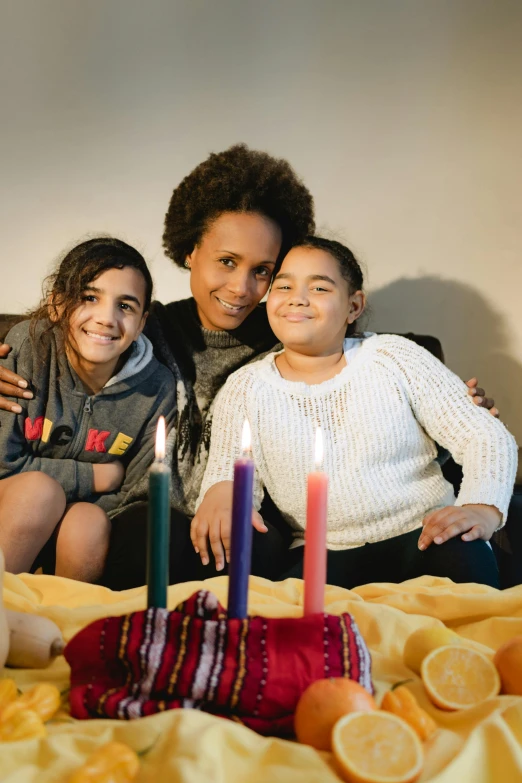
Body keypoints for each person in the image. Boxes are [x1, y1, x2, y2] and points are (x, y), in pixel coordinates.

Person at [0, 145, 498, 589]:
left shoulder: (294, 335)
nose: (242, 288)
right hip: (151, 509)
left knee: (253, 547)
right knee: (141, 538)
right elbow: (57, 339)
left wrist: (461, 404)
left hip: (262, 518)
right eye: (227, 262)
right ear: (190, 251)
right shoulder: (138, 324)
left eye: (264, 271)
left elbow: (375, 367)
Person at [194, 236, 517, 589]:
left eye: (319, 287)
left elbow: (483, 435)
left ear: (353, 306)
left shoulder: (393, 357)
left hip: (424, 536)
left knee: (463, 559)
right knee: (288, 616)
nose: (297, 297)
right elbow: (229, 469)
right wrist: (221, 494)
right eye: (283, 286)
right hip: (321, 553)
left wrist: (482, 508)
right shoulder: (245, 388)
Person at [0, 238, 176, 582]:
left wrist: (84, 506)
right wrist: (95, 476)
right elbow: (4, 465)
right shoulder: (28, 349)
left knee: (87, 522)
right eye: (89, 298)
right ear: (57, 305)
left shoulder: (157, 387)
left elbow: (136, 490)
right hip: (13, 507)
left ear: (142, 322)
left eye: (125, 306)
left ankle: (63, 627)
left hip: (87, 520)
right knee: (39, 492)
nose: (107, 318)